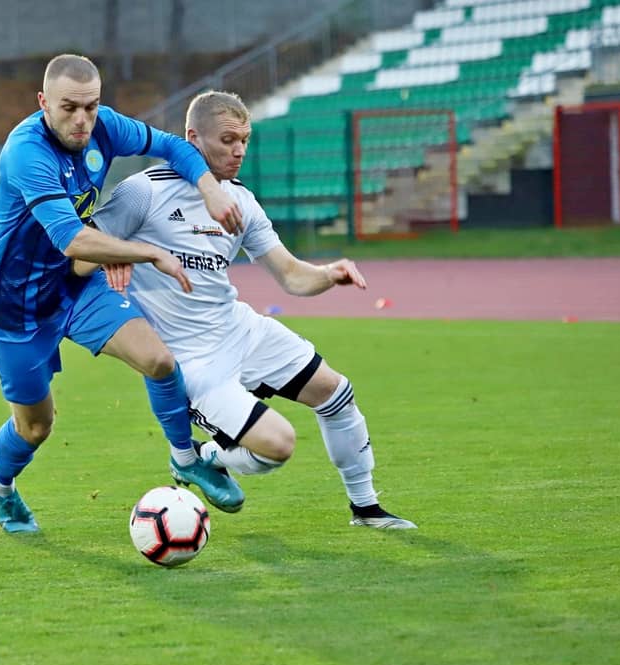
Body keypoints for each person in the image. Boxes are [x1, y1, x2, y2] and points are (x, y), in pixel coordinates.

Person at [86, 91, 417, 529]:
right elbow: (80, 248)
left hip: (241, 330)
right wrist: (116, 256)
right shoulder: (144, 191)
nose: (239, 150)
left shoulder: (241, 200)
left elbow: (291, 276)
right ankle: (202, 457)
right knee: (278, 446)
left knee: (336, 393)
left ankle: (366, 508)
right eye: (228, 140)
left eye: (244, 140)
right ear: (193, 138)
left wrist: (328, 274)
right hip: (194, 361)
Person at [0, 55, 246, 534]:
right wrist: (148, 252)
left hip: (77, 286)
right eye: (69, 108)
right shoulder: (26, 152)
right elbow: (73, 240)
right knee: (35, 427)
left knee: (158, 360)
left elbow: (172, 146)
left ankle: (185, 459)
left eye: (91, 106)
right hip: (18, 308)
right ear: (43, 103)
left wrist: (209, 188)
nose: (82, 119)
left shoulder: (105, 127)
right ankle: (1, 486)